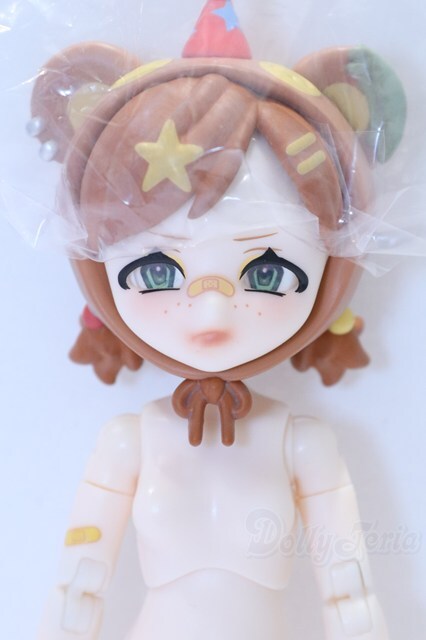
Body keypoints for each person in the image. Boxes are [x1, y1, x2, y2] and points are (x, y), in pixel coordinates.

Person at [27, 1, 406, 637]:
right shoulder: (129, 442)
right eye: (155, 271)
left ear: (332, 278)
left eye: (268, 274)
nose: (210, 310)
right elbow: (77, 582)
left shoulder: (302, 443)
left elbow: (351, 589)